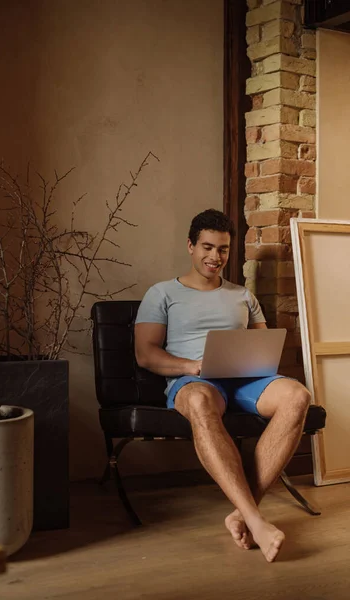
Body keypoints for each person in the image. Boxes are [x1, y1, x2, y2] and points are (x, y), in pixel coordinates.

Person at [134, 208, 310, 563]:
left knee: (297, 395)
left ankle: (246, 512)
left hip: (246, 377)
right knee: (199, 402)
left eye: (223, 250)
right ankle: (256, 520)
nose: (215, 257)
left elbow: (264, 346)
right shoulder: (162, 293)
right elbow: (146, 354)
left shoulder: (243, 295)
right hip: (194, 380)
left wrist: (256, 360)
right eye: (208, 247)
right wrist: (192, 366)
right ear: (190, 246)